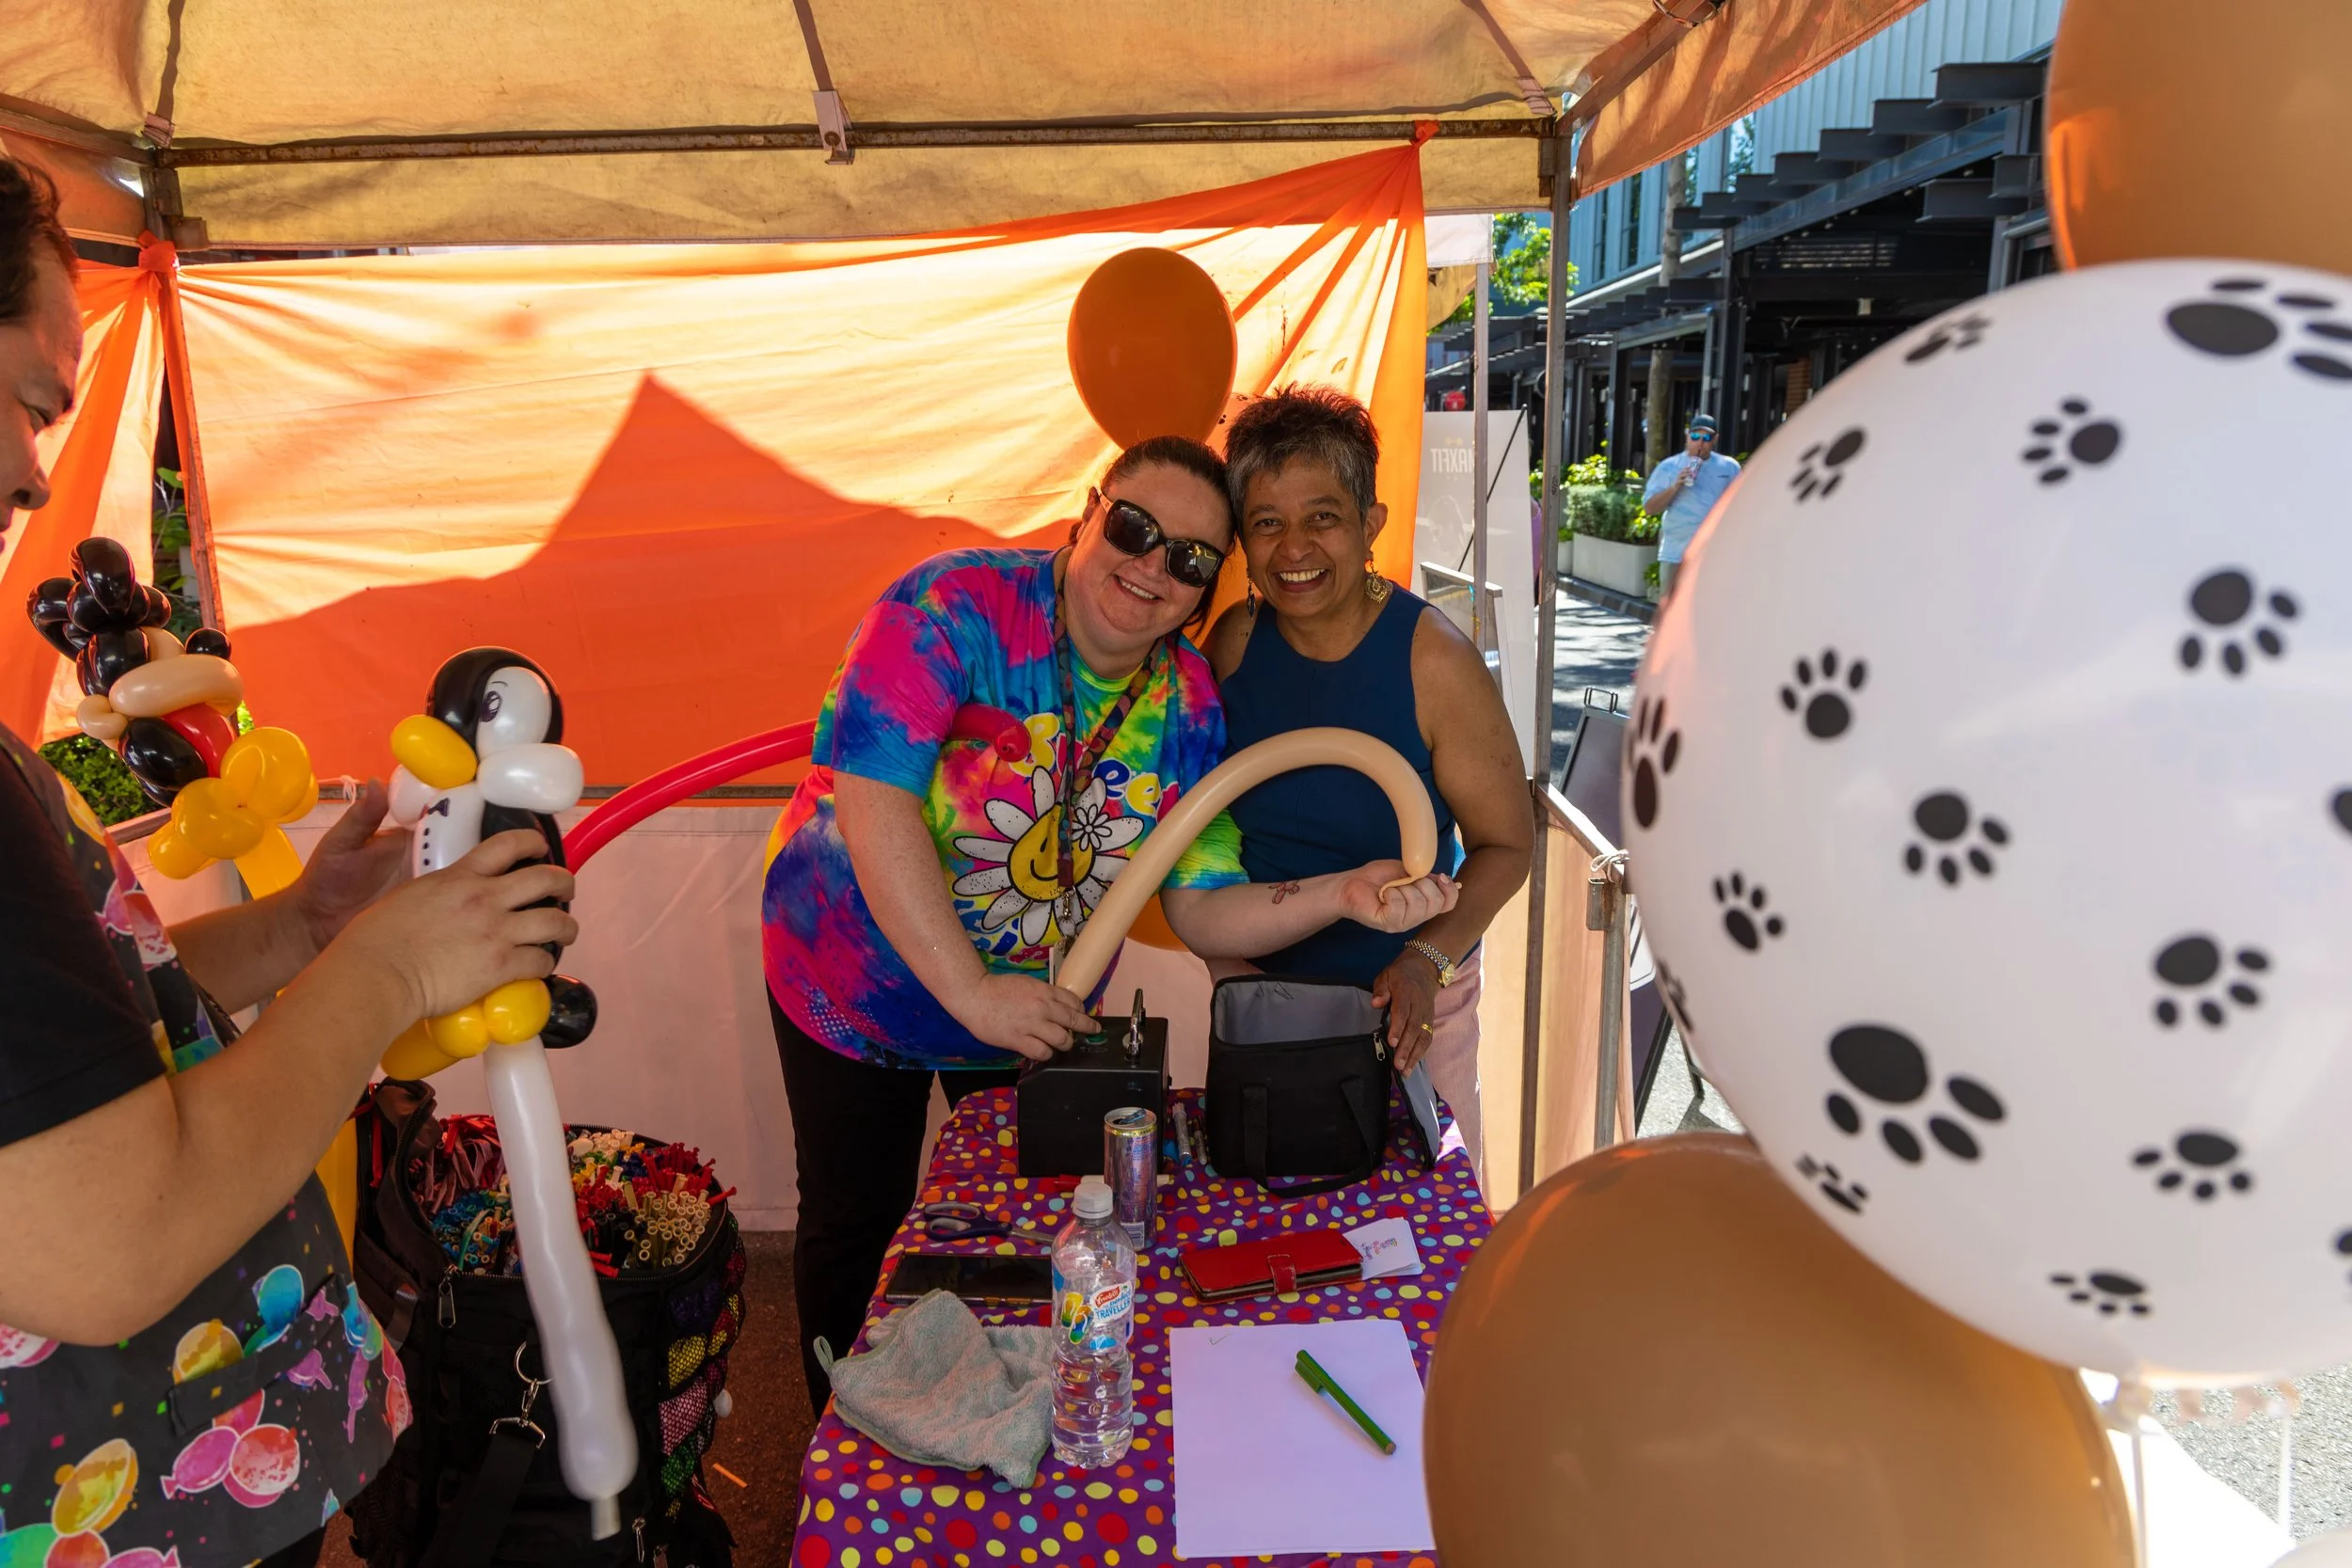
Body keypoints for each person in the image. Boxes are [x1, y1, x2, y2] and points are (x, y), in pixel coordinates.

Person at [0, 156, 583, 1567]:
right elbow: (113, 1234)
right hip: (128, 1503)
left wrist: (299, 926)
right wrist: (387, 968)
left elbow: (74, 1027)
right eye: (27, 399)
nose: (30, 471)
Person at [761, 436, 1456, 1412]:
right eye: (1135, 527)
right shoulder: (950, 605)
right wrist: (970, 990)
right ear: (1088, 512)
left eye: (1190, 559)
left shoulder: (1185, 708)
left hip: (1026, 1006)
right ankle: (835, 1440)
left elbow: (1196, 902)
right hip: (849, 978)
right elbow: (873, 800)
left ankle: (984, 1422)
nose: (1151, 567)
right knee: (855, 1216)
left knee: (1020, 1221)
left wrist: (1343, 893)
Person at [1206, 388, 1533, 1178]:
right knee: (1261, 1219)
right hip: (1262, 1004)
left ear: (1371, 523)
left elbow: (1506, 844)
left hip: (1411, 1007)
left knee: (1425, 1242)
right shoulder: (1235, 642)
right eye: (1267, 522)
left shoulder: (1435, 661)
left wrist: (1425, 958)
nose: (1294, 548)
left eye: (1322, 516)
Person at [1641, 412, 1741, 600]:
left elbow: (1740, 507)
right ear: (1687, 436)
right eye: (1695, 436)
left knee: (1708, 609)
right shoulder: (1668, 467)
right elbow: (1649, 508)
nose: (1700, 443)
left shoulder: (1729, 467)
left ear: (1715, 440)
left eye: (1706, 438)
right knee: (1671, 610)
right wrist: (1675, 486)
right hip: (1676, 552)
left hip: (1713, 554)